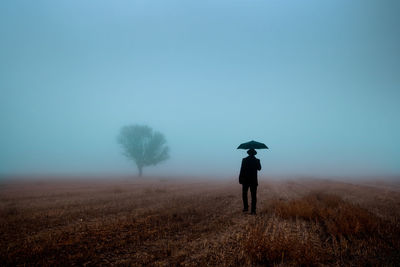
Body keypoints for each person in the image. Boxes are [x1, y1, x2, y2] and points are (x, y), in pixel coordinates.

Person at [239, 148, 261, 214]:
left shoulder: (244, 160)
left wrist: (240, 178)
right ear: (254, 153)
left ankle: (246, 208)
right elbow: (259, 168)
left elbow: (241, 170)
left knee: (244, 194)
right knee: (253, 196)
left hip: (245, 180)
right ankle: (253, 211)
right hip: (253, 180)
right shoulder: (257, 160)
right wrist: (257, 162)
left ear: (248, 153)